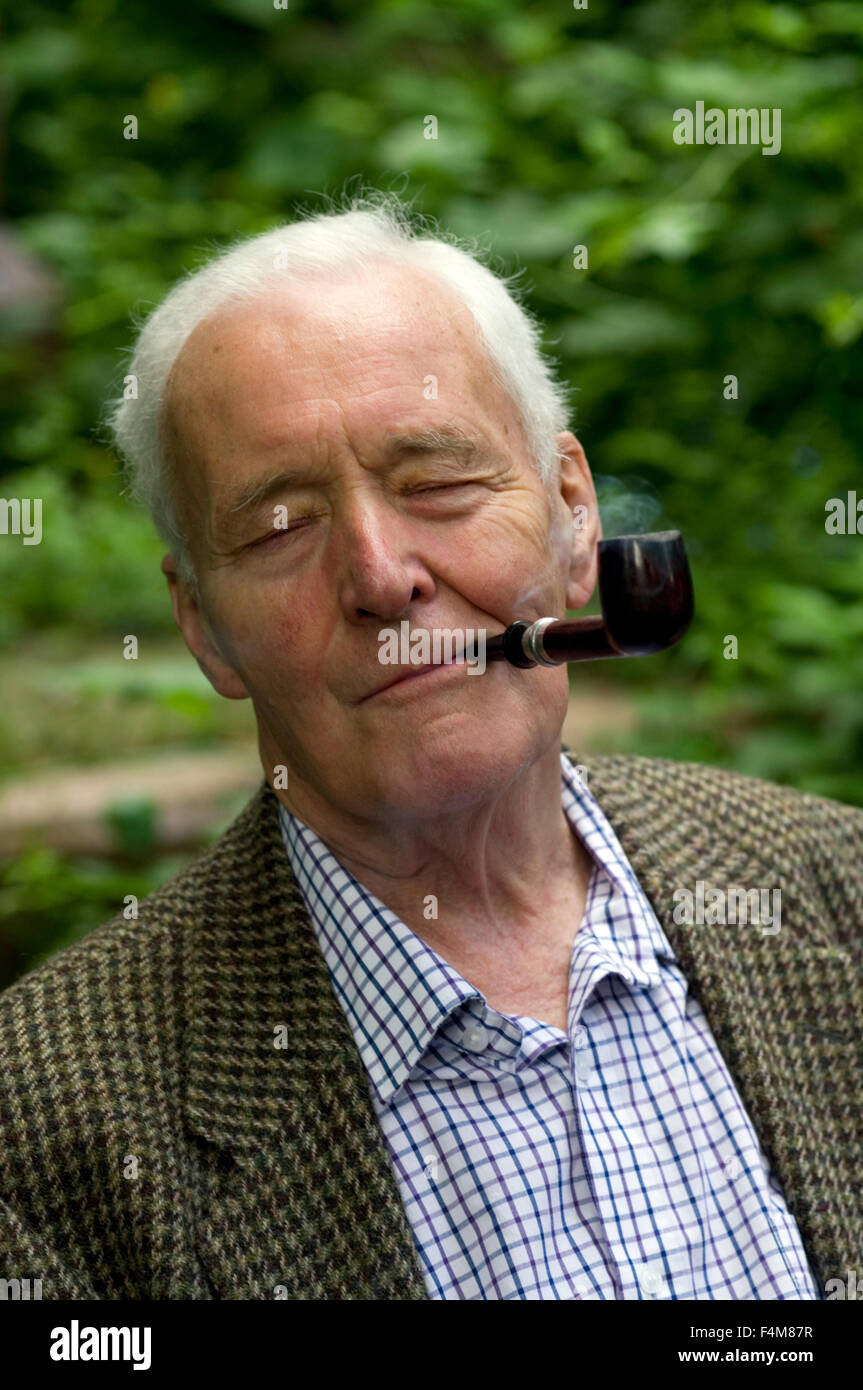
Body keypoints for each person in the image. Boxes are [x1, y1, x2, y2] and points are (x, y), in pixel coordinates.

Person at [0, 192, 860, 1300]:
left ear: (571, 516)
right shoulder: (40, 1127)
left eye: (439, 482)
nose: (377, 574)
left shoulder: (833, 886)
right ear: (203, 626)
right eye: (278, 527)